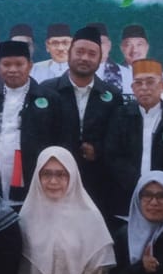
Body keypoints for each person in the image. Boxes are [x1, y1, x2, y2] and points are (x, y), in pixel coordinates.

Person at [18, 147, 115, 274]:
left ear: (72, 176)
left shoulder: (90, 218)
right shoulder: (26, 218)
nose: (53, 181)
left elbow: (96, 272)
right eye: (46, 174)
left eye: (61, 174)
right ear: (37, 176)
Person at [41, 25, 119, 213]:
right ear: (69, 54)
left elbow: (117, 140)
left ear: (100, 59)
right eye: (80, 52)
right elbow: (38, 135)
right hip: (54, 179)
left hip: (98, 183)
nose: (84, 58)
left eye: (92, 54)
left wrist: (98, 150)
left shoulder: (112, 95)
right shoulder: (47, 90)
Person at [105, 59, 163, 216]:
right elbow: (114, 157)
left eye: (150, 82)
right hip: (125, 199)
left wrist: (158, 188)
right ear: (132, 88)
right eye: (138, 83)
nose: (144, 88)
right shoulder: (119, 117)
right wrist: (139, 185)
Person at [0, 40, 57, 204]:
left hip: (35, 178)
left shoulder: (49, 99)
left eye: (19, 64)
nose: (12, 70)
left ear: (30, 66)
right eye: (6, 64)